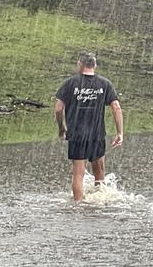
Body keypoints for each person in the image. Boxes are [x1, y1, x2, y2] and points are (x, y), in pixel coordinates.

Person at [55, 52, 124, 202]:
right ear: (95, 66)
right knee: (99, 172)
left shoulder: (70, 83)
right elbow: (116, 107)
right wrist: (120, 133)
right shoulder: (105, 84)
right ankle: (99, 205)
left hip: (76, 134)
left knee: (78, 174)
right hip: (97, 134)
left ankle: (78, 207)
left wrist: (61, 128)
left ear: (80, 64)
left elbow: (58, 108)